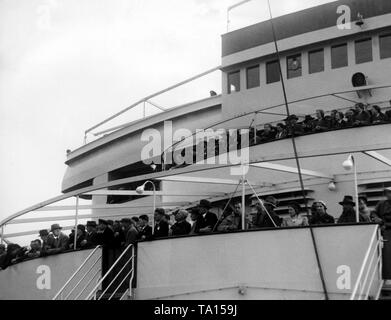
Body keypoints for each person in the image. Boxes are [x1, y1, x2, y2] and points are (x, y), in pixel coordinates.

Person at [373, 187, 391, 279]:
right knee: (385, 256)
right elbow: (373, 213)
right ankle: (386, 277)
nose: (389, 194)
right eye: (388, 193)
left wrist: (387, 225)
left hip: (388, 230)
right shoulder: (381, 203)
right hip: (382, 232)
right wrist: (376, 218)